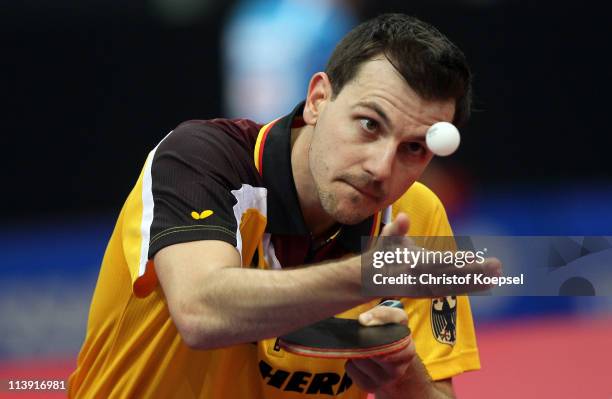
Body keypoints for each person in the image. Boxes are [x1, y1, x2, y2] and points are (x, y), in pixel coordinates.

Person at [69, 13, 501, 398]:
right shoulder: (198, 159)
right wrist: (365, 276)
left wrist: (402, 379)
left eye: (413, 149)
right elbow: (201, 312)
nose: (380, 168)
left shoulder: (414, 215)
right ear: (318, 100)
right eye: (369, 124)